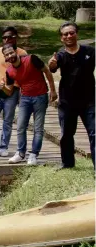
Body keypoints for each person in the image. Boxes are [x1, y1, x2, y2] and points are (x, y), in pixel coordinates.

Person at [48, 21, 95, 170]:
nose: (68, 36)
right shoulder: (60, 55)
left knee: (94, 133)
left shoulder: (90, 51)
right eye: (65, 34)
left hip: (89, 101)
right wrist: (52, 65)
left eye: (71, 33)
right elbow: (53, 68)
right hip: (67, 102)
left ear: (76, 34)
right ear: (61, 38)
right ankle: (67, 163)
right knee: (66, 135)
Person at [3, 44, 58, 165]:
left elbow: (47, 71)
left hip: (40, 96)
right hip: (25, 98)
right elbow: (9, 90)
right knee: (20, 126)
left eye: (11, 52)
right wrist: (2, 87)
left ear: (16, 52)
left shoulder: (31, 59)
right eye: (6, 55)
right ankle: (20, 153)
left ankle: (33, 154)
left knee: (38, 128)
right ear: (5, 58)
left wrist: (53, 90)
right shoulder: (9, 71)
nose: (10, 56)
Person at [0, 26, 27, 157]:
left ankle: (4, 146)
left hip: (13, 92)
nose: (7, 39)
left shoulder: (22, 53)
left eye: (10, 37)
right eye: (4, 37)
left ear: (15, 38)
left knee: (7, 121)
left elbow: (25, 73)